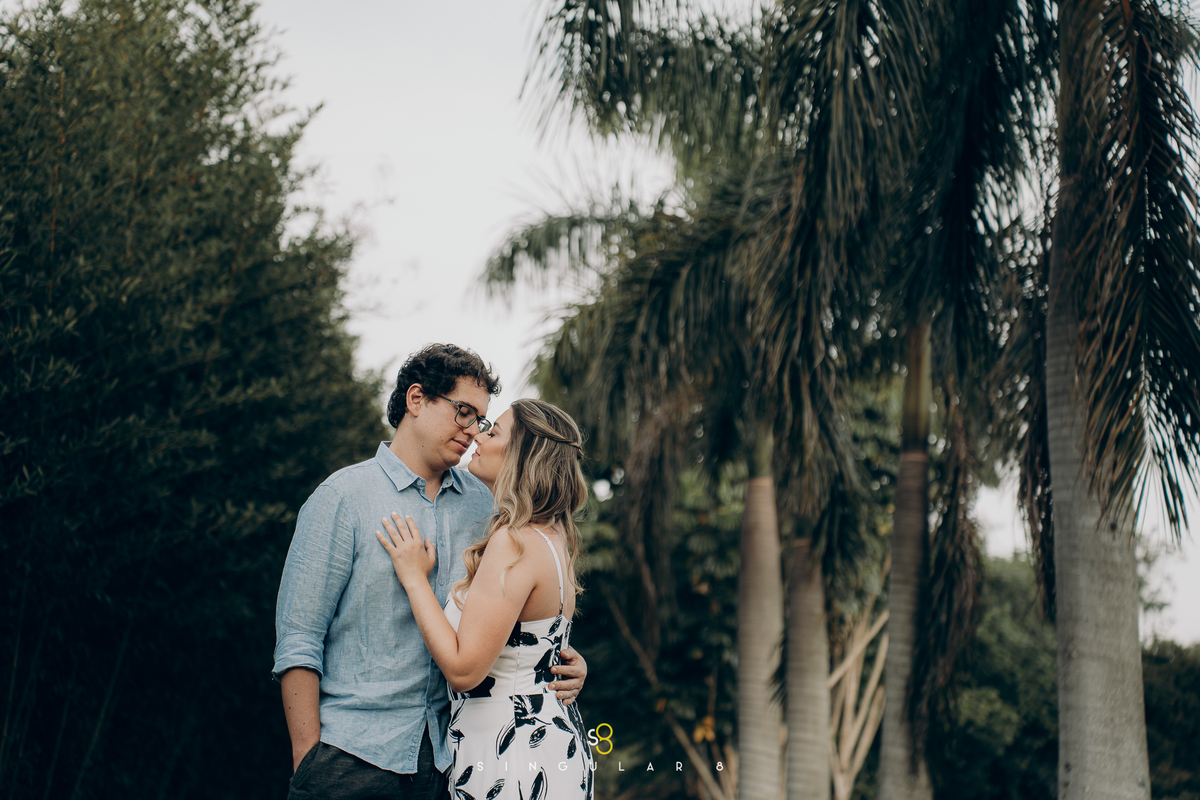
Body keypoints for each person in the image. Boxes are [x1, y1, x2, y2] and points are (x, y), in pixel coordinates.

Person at [273, 345, 588, 800]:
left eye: (481, 420)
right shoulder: (342, 496)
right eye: (464, 412)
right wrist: (309, 761)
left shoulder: (487, 507)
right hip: (351, 761)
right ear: (416, 400)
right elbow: (299, 639)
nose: (473, 431)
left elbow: (505, 617)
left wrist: (559, 662)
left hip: (450, 765)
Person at [376, 398, 594, 800]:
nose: (477, 433)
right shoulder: (553, 538)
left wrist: (413, 578)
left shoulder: (513, 543)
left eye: (492, 432)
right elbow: (525, 641)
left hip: (507, 754)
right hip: (550, 743)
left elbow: (463, 671)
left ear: (522, 455)